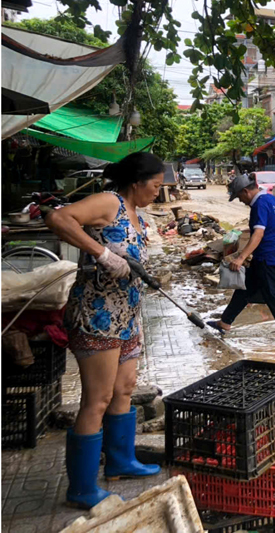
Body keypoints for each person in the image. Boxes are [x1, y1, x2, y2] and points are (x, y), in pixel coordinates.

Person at [45, 153, 164, 509]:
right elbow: (57, 217)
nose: (159, 193)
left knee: (124, 389)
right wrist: (101, 253)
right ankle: (81, 488)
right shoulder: (109, 201)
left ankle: (120, 462)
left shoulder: (136, 213)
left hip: (126, 314)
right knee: (96, 399)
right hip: (97, 315)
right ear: (136, 181)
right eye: (156, 186)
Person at [208, 174, 275, 342]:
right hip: (271, 253)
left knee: (273, 295)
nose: (240, 201)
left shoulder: (259, 205)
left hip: (268, 256)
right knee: (245, 289)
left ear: (246, 191)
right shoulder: (270, 199)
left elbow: (259, 234)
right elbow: (267, 228)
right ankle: (225, 322)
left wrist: (241, 258)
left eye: (239, 197)